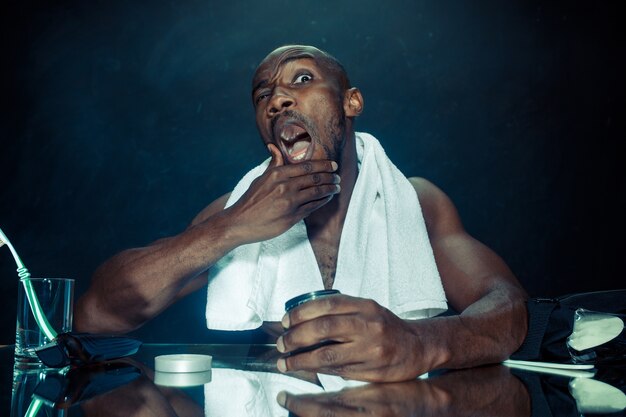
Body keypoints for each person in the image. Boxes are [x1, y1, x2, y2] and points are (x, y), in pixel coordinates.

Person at [75, 45, 528, 382]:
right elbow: (96, 316)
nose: (277, 101)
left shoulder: (417, 201)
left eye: (303, 79)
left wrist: (423, 343)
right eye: (262, 96)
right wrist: (232, 227)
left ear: (351, 102)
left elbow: (508, 307)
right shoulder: (235, 212)